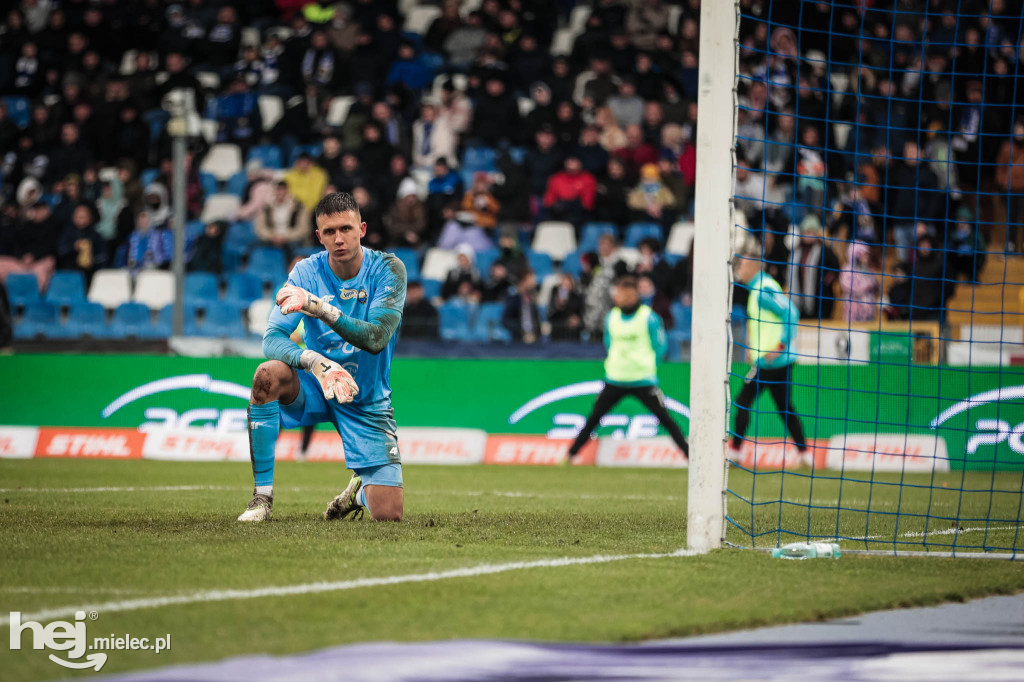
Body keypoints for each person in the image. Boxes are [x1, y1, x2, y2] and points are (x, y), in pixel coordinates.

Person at [239, 192, 407, 523]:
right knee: (266, 376)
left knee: (389, 515)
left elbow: (375, 338)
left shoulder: (388, 269)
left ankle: (358, 491)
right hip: (316, 385)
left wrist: (320, 308)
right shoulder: (305, 272)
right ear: (319, 236)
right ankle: (261, 498)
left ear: (362, 228)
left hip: (365, 397)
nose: (338, 238)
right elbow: (272, 338)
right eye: (329, 232)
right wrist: (315, 362)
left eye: (345, 229)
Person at [566, 275, 689, 462]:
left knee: (666, 419)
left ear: (632, 295)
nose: (616, 297)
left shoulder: (649, 317)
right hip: (616, 378)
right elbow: (609, 343)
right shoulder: (612, 316)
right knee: (594, 418)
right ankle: (570, 455)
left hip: (643, 379)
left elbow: (660, 346)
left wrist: (649, 367)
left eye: (620, 294)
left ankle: (691, 456)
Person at [729, 241, 808, 460]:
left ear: (753, 267)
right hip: (772, 360)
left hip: (770, 361)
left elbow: (790, 313)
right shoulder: (758, 288)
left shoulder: (763, 290)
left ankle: (735, 452)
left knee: (743, 401)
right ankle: (804, 454)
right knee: (784, 408)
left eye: (742, 266)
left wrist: (780, 345)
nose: (739, 271)